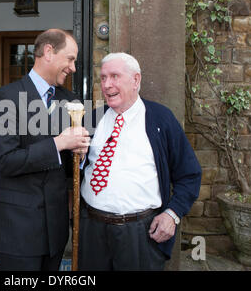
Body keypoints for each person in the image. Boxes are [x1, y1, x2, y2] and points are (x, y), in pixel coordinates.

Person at [79, 52, 202, 270]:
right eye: (103, 78)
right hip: (92, 231)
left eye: (115, 76)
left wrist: (172, 214)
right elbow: (77, 167)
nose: (107, 85)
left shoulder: (160, 119)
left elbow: (189, 173)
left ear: (136, 80)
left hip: (139, 235)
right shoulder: (91, 118)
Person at [0, 29, 90, 271]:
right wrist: (59, 143)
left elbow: (69, 169)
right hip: (16, 229)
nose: (73, 68)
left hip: (54, 230)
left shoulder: (71, 100)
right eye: (70, 59)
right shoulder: (6, 97)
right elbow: (7, 162)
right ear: (48, 52)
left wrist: (80, 155)